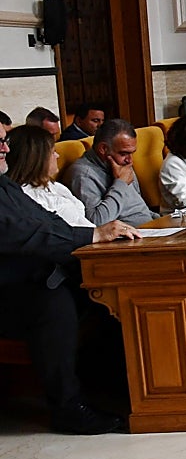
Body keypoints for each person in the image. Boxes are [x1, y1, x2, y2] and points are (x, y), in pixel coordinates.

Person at [0, 121, 141, 434]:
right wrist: (91, 235)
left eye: (5, 141)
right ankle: (68, 408)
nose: (5, 149)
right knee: (53, 302)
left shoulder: (3, 187)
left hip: (27, 276)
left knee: (102, 296)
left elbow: (46, 221)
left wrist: (94, 236)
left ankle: (122, 388)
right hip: (11, 289)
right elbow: (24, 234)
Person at [63, 118, 155, 226]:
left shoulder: (121, 164)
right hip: (127, 239)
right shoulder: (83, 175)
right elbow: (96, 222)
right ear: (103, 149)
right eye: (123, 153)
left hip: (149, 229)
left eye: (132, 153)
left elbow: (138, 208)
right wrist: (121, 183)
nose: (130, 160)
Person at [5, 125, 94, 228]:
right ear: (37, 159)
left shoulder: (54, 185)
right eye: (53, 152)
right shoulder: (26, 197)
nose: (57, 156)